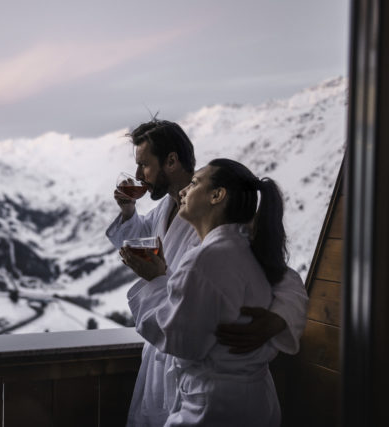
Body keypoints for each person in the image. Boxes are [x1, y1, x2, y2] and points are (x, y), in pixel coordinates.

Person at [106, 120, 308, 426]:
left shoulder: (223, 219)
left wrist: (279, 317)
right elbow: (143, 238)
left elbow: (283, 276)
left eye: (144, 165)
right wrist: (127, 213)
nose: (138, 176)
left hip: (204, 370)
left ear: (171, 161)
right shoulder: (167, 210)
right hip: (174, 359)